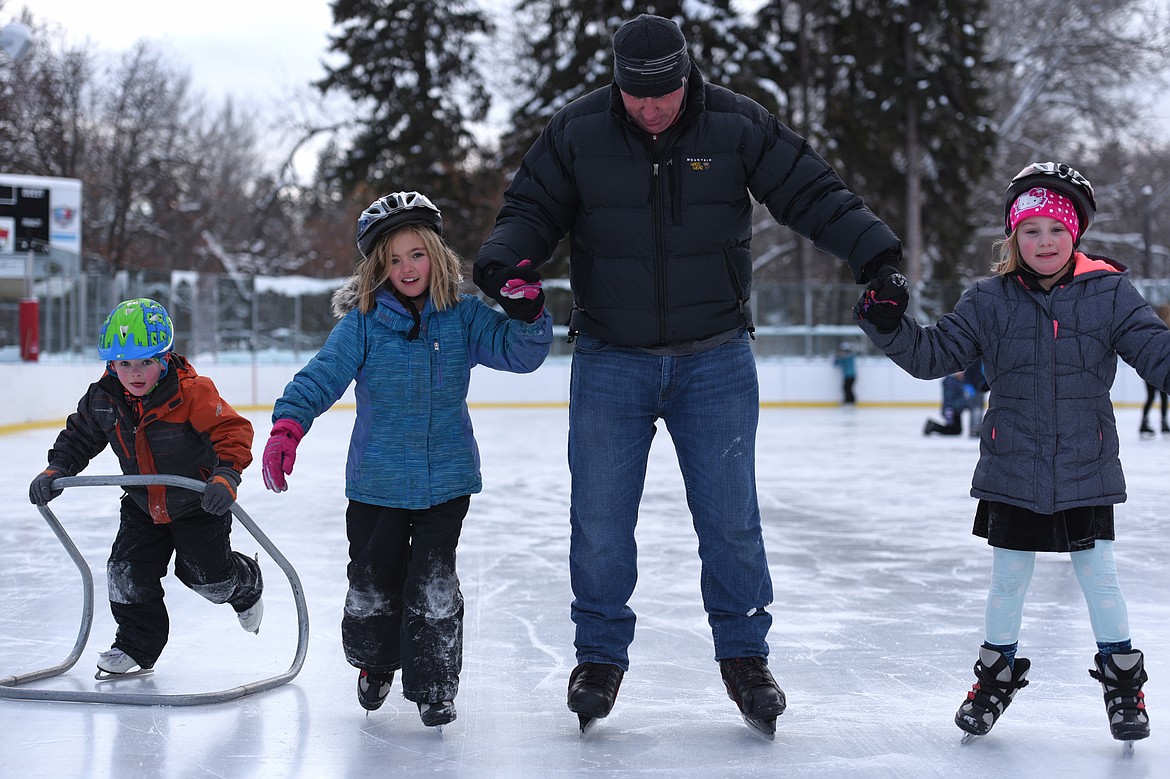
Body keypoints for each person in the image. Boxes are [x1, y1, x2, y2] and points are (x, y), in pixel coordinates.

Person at [472, 13, 906, 736]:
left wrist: (877, 257)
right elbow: (530, 209)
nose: (651, 108)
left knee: (731, 520)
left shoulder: (737, 124)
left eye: (664, 94)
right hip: (612, 356)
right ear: (618, 84)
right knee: (601, 520)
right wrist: (507, 262)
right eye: (637, 96)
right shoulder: (578, 131)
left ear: (686, 76)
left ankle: (745, 655)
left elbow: (812, 192)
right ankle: (599, 655)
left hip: (716, 357)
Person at [855, 161, 1168, 744]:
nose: (1044, 242)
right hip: (1013, 464)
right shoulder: (988, 300)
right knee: (1008, 581)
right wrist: (886, 323)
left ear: (1075, 234)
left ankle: (1124, 687)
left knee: (1100, 578)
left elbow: (1158, 355)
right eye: (1030, 231)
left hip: (1084, 464)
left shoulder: (1111, 294)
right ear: (1012, 237)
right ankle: (994, 680)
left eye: (1055, 229)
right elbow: (932, 356)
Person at [261, 191, 552, 728]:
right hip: (377, 485)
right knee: (374, 578)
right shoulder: (364, 323)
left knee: (433, 582)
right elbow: (321, 377)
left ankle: (435, 684)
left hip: (447, 480)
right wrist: (288, 427)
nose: (406, 267)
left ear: (436, 255)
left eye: (416, 254)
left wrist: (529, 311)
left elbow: (522, 352)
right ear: (377, 267)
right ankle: (375, 663)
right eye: (393, 259)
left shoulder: (463, 319)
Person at [28, 298, 263, 679]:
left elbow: (232, 431)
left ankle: (246, 585)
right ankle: (135, 646)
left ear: (164, 358)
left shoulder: (191, 392)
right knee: (125, 571)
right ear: (111, 364)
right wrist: (57, 468)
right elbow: (79, 437)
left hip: (198, 505)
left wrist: (226, 475)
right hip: (142, 505)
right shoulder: (103, 399)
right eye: (125, 364)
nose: (135, 374)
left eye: (146, 363)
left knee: (210, 582)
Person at [1139, 304, 1170, 437]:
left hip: (1150, 366)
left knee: (1152, 396)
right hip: (1157, 365)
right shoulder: (1162, 328)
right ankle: (1161, 423)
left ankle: (1145, 422)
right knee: (1159, 396)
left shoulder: (1152, 326)